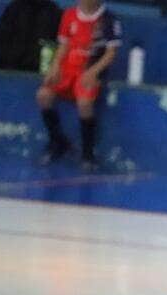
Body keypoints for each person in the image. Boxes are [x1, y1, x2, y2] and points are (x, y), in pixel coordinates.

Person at [36, 0, 121, 170]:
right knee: (43, 95)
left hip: (88, 69)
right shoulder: (69, 15)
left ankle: (88, 154)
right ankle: (57, 141)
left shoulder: (109, 20)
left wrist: (93, 72)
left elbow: (111, 53)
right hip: (68, 69)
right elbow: (63, 45)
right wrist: (55, 66)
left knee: (84, 103)